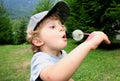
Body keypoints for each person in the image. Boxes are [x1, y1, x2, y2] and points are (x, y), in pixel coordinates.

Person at [26, 1, 111, 81]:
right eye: (52, 26)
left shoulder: (62, 54)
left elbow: (65, 76)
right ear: (38, 41)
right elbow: (53, 77)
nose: (61, 28)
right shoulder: (40, 58)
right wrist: (88, 44)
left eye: (61, 25)